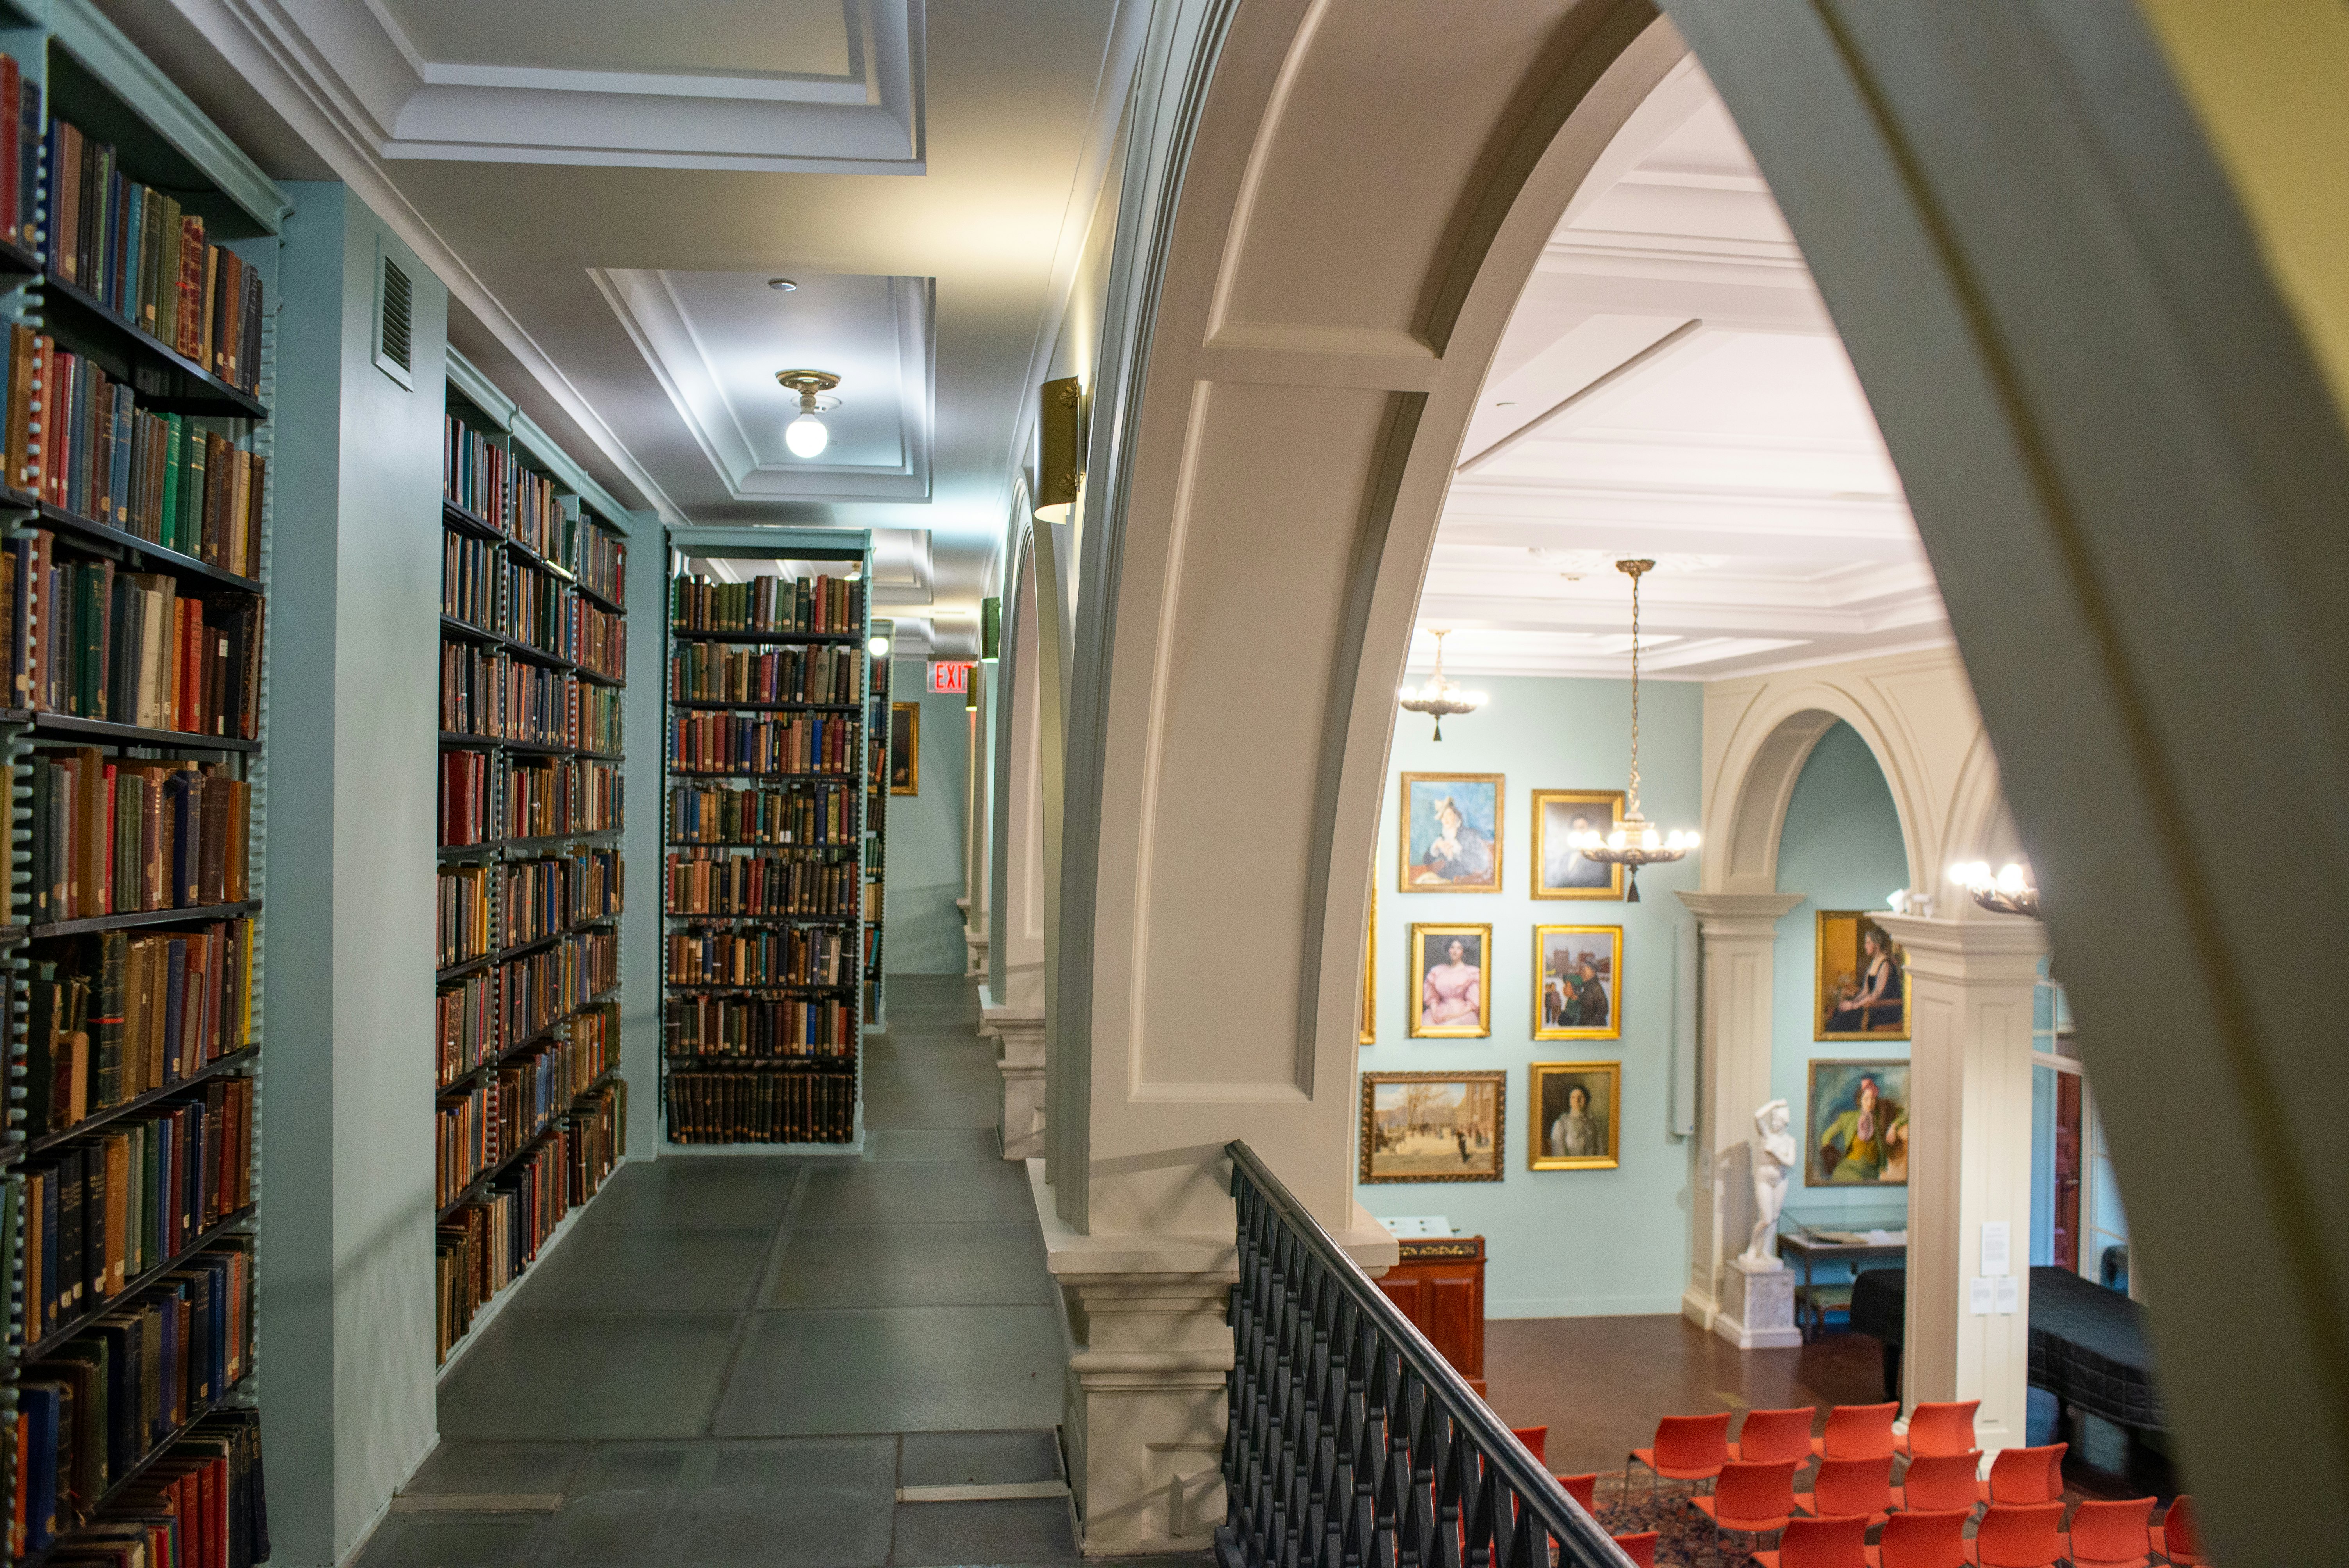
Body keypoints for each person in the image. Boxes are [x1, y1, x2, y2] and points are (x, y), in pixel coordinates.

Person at [1816, 1073, 1908, 1183]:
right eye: (1866, 1099)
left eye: (1873, 1099)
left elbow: (1906, 1115)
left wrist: (1894, 1126)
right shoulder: (1848, 1118)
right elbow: (1826, 1136)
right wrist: (1832, 1155)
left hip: (1871, 1172)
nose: (1870, 1103)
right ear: (1860, 1100)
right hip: (1848, 1169)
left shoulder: (1881, 1118)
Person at [1825, 926, 1904, 1033]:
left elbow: (1876, 994)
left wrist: (1853, 1006)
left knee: (1847, 1018)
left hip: (1884, 1009)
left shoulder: (1886, 964)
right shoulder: (1873, 963)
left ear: (1877, 945)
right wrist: (1851, 1003)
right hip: (1871, 1005)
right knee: (1841, 1012)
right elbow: (1865, 991)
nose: (1865, 946)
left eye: (1868, 943)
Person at [1415, 795, 1494, 886]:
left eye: (1449, 815)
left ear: (1457, 816)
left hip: (1465, 881)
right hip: (1447, 878)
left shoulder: (1469, 835)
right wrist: (1436, 846)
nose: (1446, 819)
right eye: (1443, 816)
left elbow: (1481, 864)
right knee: (1424, 879)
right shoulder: (1444, 838)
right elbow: (1426, 861)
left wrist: (1458, 852)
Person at [1420, 937, 1481, 1028]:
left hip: (1462, 1012)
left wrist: (1455, 1016)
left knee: (1454, 1025)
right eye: (1452, 947)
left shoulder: (1472, 972)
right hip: (1440, 1010)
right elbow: (1432, 996)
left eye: (1459, 948)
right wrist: (1434, 1014)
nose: (1455, 951)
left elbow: (1473, 1001)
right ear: (1448, 949)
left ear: (1463, 952)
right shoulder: (1438, 971)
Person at [1544, 805, 1609, 889]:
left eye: (1581, 828)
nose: (1578, 832)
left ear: (1589, 830)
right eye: (1575, 829)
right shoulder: (1567, 856)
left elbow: (1599, 881)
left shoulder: (1597, 855)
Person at [1548, 1083, 1605, 1158]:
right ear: (1569, 1101)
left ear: (1586, 1100)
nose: (1577, 1101)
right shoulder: (1561, 1124)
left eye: (1580, 1097)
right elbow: (1559, 1156)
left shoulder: (1595, 1124)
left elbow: (1601, 1152)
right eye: (1573, 1098)